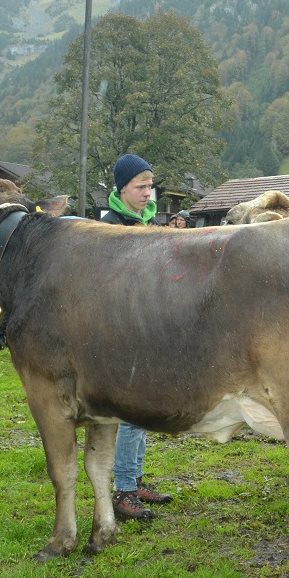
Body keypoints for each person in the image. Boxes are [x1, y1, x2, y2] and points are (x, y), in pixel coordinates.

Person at [99, 154, 172, 520]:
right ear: (121, 188)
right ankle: (124, 490)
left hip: (148, 325)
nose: (148, 193)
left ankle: (135, 478)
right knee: (130, 412)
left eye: (150, 185)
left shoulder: (146, 221)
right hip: (122, 330)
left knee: (143, 411)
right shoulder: (110, 227)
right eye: (140, 186)